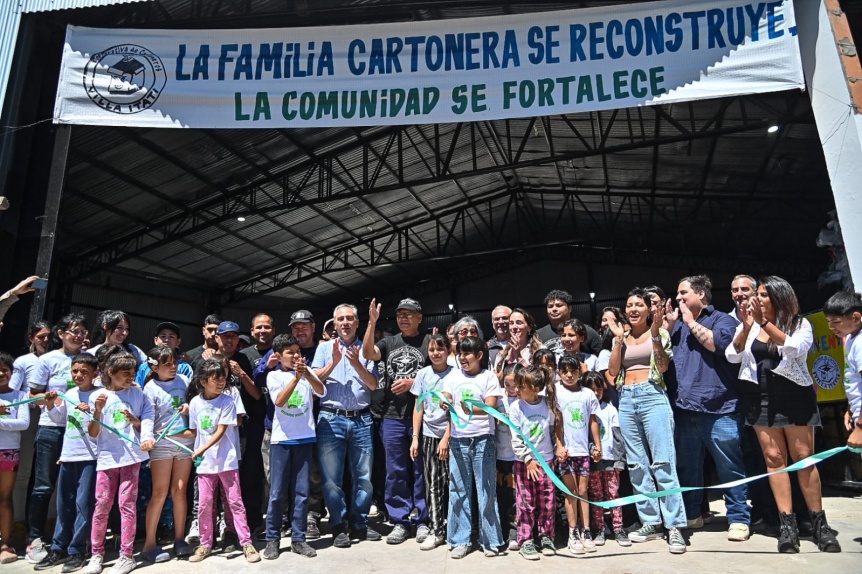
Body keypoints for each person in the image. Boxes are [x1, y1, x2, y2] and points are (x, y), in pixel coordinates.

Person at [727, 276, 839, 553]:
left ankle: (818, 524)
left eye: (763, 295)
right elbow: (732, 355)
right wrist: (746, 327)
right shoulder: (751, 327)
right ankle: (786, 526)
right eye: (759, 294)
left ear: (779, 297)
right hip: (760, 399)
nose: (757, 299)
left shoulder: (800, 324)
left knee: (803, 459)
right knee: (774, 459)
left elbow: (794, 348)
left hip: (794, 399)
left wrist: (765, 322)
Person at [666, 275, 751, 541]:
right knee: (688, 467)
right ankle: (693, 514)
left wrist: (690, 322)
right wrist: (667, 328)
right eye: (678, 294)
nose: (678, 298)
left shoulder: (723, 320)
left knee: (729, 466)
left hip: (719, 407)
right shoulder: (676, 326)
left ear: (701, 294)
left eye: (683, 293)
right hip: (684, 407)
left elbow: (720, 346)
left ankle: (738, 518)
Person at [607, 288, 686, 554]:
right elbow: (613, 371)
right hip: (626, 399)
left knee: (663, 461)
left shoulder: (660, 333)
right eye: (629, 305)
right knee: (637, 465)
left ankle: (674, 525)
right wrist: (618, 340)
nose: (633, 309)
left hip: (652, 395)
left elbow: (662, 366)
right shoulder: (622, 337)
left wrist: (654, 335)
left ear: (648, 309)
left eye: (638, 304)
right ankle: (650, 521)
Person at [311, 304, 380, 547]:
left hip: (361, 418)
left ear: (357, 323)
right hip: (331, 418)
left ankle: (359, 523)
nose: (345, 323)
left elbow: (373, 385)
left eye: (350, 318)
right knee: (331, 479)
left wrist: (357, 365)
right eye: (341, 319)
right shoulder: (323, 348)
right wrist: (334, 362)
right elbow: (312, 380)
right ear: (334, 323)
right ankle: (338, 525)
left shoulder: (368, 349)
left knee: (364, 477)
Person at [363, 297, 430, 545]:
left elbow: (441, 373)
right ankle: (400, 521)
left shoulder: (428, 343)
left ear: (420, 318)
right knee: (395, 471)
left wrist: (414, 383)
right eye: (400, 314)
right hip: (391, 416)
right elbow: (368, 353)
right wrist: (371, 323)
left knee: (420, 469)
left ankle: (422, 519)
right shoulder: (389, 342)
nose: (404, 318)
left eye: (409, 314)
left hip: (422, 417)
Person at [85, 347, 155, 574]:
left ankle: (126, 555)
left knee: (127, 506)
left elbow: (147, 419)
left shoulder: (138, 393)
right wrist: (97, 411)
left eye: (133, 372)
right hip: (107, 459)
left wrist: (146, 437)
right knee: (102, 505)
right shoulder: (97, 396)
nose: (131, 377)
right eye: (125, 373)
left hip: (132, 457)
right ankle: (96, 554)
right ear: (110, 372)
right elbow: (93, 433)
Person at [25, 313, 89, 564]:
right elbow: (34, 396)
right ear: (60, 334)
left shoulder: (88, 359)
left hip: (79, 431)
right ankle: (35, 539)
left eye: (83, 331)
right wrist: (49, 401)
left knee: (74, 490)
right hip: (52, 428)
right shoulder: (48, 359)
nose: (79, 335)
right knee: (43, 486)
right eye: (74, 331)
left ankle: (71, 541)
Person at [183, 360, 260, 564]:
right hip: (205, 465)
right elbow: (194, 431)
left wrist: (199, 449)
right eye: (215, 379)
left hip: (227, 461)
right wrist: (166, 435)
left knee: (235, 502)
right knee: (205, 504)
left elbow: (221, 429)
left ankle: (246, 542)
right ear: (202, 381)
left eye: (222, 379)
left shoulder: (227, 401)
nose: (220, 382)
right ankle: (205, 544)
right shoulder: (195, 403)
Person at [262, 335, 325, 560]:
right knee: (278, 492)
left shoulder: (307, 373)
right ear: (278, 356)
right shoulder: (274, 375)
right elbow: (279, 401)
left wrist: (307, 374)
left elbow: (321, 391)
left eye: (298, 351)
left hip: (305, 438)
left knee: (302, 492)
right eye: (290, 352)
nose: (296, 356)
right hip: (282, 440)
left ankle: (299, 539)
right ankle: (272, 539)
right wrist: (296, 379)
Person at [441, 336, 504, 559]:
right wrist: (445, 401)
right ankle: (460, 539)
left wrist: (471, 410)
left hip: (483, 441)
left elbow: (490, 408)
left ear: (479, 355)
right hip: (458, 440)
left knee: (486, 491)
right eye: (460, 353)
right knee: (458, 490)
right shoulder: (452, 376)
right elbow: (446, 397)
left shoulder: (489, 378)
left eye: (467, 353)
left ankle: (491, 540)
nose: (462, 358)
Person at [36, 353, 99, 573]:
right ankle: (58, 548)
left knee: (84, 505)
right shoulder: (70, 393)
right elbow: (58, 419)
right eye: (75, 371)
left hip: (90, 457)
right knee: (63, 504)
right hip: (68, 456)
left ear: (95, 374)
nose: (79, 375)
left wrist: (92, 411)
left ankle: (78, 550)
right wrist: (51, 405)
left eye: (84, 371)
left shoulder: (100, 395)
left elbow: (103, 426)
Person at [141, 347, 194, 562]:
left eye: (174, 362)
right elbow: (147, 416)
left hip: (185, 443)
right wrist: (146, 437)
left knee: (180, 492)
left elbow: (197, 402)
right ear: (154, 367)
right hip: (162, 444)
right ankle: (149, 544)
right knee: (160, 492)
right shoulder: (150, 388)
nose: (173, 367)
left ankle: (179, 539)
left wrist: (189, 408)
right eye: (167, 364)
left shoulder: (184, 380)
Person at [215, 321, 264, 534]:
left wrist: (242, 373)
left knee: (248, 478)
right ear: (216, 337)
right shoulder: (206, 361)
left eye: (233, 336)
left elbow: (257, 395)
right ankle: (216, 525)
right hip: (214, 434)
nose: (229, 340)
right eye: (225, 336)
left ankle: (250, 523)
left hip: (244, 431)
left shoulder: (245, 359)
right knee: (214, 481)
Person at [508, 365, 559, 561]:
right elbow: (516, 438)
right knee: (526, 502)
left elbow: (555, 430)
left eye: (522, 386)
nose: (517, 390)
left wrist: (558, 450)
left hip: (546, 461)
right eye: (516, 386)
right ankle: (526, 540)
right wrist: (528, 459)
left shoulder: (548, 405)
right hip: (524, 463)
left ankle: (546, 536)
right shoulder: (516, 407)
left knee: (547, 502)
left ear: (536, 388)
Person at [410, 333, 454, 551]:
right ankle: (436, 529)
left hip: (452, 436)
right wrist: (415, 437)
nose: (436, 353)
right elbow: (419, 406)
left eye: (440, 349)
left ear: (448, 351)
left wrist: (446, 437)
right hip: (428, 435)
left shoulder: (456, 375)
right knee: (433, 484)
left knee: (453, 484)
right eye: (432, 350)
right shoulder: (423, 374)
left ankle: (454, 528)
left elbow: (455, 412)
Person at [554, 354, 601, 555]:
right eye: (564, 371)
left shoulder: (588, 394)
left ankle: (586, 530)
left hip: (583, 451)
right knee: (570, 493)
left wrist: (597, 446)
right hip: (566, 452)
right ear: (559, 373)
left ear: (580, 372)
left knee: (583, 491)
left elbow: (592, 421)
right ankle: (573, 531)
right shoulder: (556, 392)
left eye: (573, 371)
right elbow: (557, 423)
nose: (569, 375)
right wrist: (559, 446)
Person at [580, 371, 627, 547]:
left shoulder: (610, 409)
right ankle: (599, 529)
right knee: (597, 496)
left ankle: (618, 528)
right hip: (593, 464)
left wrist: (620, 460)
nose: (595, 393)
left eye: (598, 389)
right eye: (591, 390)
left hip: (611, 461)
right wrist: (592, 450)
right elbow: (584, 437)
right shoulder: (583, 411)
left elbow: (618, 437)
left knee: (614, 495)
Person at [0, 352, 30, 564]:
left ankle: (5, 543)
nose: (1, 373)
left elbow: (23, 424)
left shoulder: (20, 396)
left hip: (8, 451)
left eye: (5, 369)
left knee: (5, 498)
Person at [824, 291, 862, 452]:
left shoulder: (860, 342)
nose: (831, 327)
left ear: (855, 318)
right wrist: (851, 408)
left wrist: (860, 427)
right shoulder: (852, 338)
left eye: (836, 321)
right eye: (828, 322)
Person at [494, 364, 519, 551]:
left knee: (515, 498)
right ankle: (501, 532)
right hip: (499, 455)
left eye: (516, 385)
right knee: (501, 497)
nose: (512, 390)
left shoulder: (523, 401)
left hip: (517, 457)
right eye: (507, 385)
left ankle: (514, 533)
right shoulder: (499, 399)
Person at [537, 290, 602, 356]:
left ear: (570, 308)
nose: (554, 309)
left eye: (559, 305)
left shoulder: (586, 331)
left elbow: (602, 358)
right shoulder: (538, 335)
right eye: (550, 306)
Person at [134, 322, 193, 386]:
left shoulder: (184, 368)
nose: (166, 340)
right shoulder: (144, 366)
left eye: (171, 336)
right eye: (163, 336)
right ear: (155, 340)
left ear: (178, 342)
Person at [9, 321, 51, 391]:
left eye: (49, 336)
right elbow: (13, 388)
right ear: (31, 339)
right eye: (41, 337)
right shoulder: (23, 361)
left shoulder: (62, 359)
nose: (46, 339)